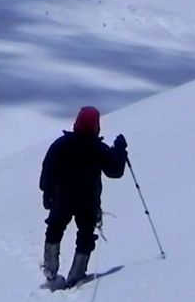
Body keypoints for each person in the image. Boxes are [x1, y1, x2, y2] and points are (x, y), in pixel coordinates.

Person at [39, 105, 128, 287]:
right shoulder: (98, 148)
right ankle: (77, 274)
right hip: (88, 202)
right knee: (86, 235)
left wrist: (47, 192)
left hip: (61, 198)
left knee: (55, 229)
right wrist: (120, 150)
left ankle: (50, 268)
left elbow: (48, 170)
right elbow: (115, 171)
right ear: (96, 127)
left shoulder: (61, 145)